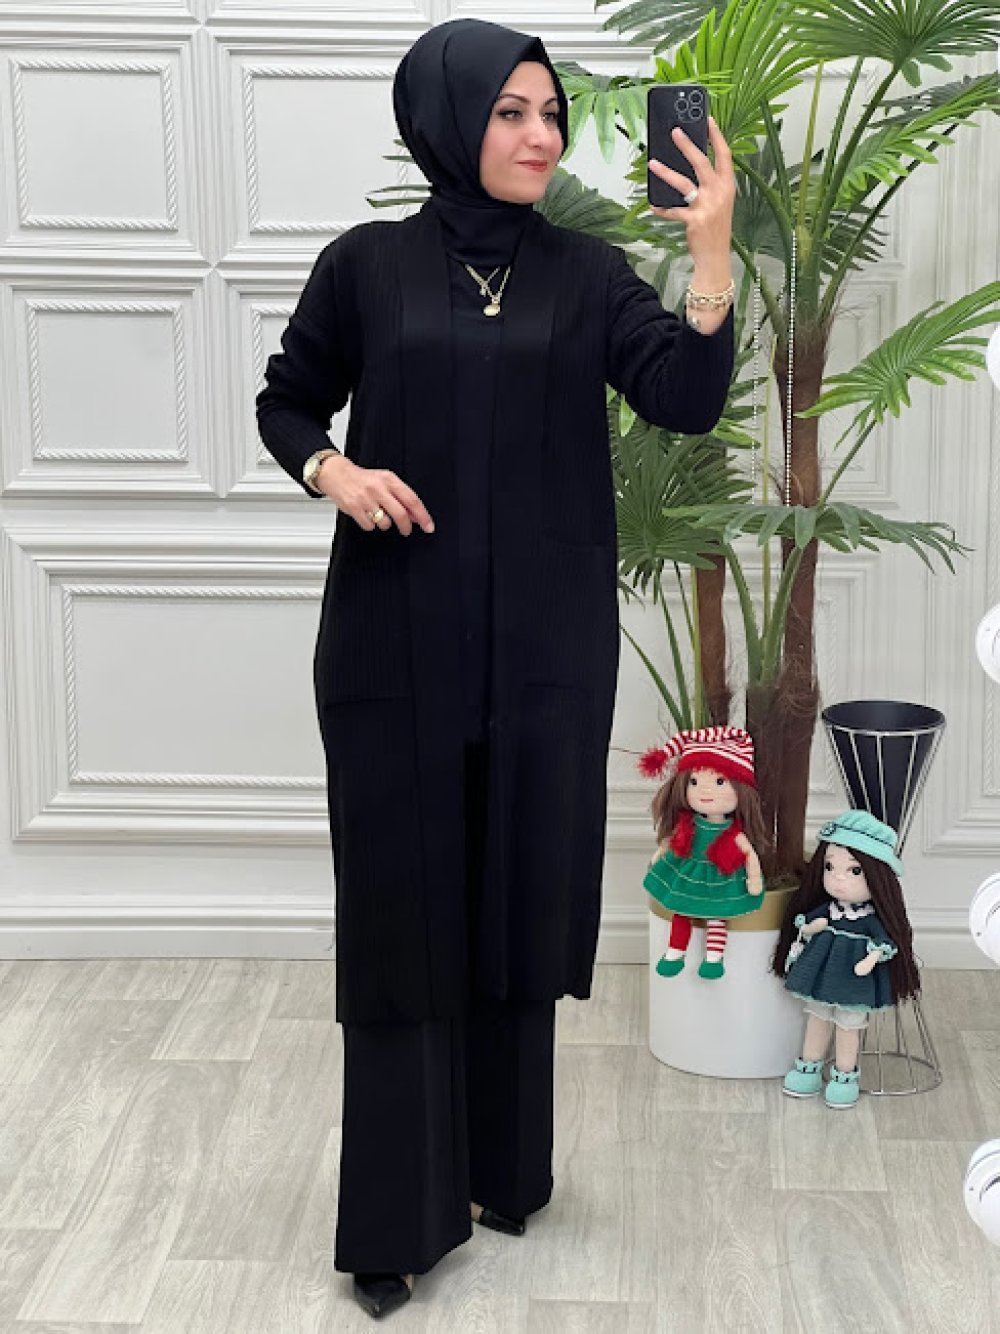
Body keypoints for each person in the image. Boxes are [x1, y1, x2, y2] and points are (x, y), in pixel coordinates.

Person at [256, 17, 736, 1320]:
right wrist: (335, 470)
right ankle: (397, 1217)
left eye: (551, 112)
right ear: (447, 120)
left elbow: (684, 397)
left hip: (541, 650)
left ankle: (502, 1170)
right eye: (511, 111)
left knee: (520, 894)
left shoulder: (587, 274)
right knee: (402, 917)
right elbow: (287, 399)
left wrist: (707, 253)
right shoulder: (366, 267)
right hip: (393, 643)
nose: (541, 135)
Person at [773, 811, 920, 1109]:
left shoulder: (869, 919)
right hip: (822, 977)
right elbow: (809, 922)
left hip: (853, 982)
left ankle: (844, 1075)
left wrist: (871, 958)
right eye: (830, 867)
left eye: (853, 871)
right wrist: (810, 927)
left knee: (848, 1026)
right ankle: (808, 1067)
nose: (838, 878)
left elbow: (884, 942)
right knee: (817, 1018)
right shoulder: (829, 909)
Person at [640, 726, 766, 980]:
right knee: (681, 910)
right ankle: (675, 952)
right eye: (694, 782)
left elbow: (749, 854)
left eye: (720, 782)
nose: (705, 791)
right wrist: (660, 854)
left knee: (717, 917)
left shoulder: (734, 833)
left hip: (721, 877)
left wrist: (754, 879)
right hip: (689, 873)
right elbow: (672, 841)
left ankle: (713, 958)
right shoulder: (689, 825)